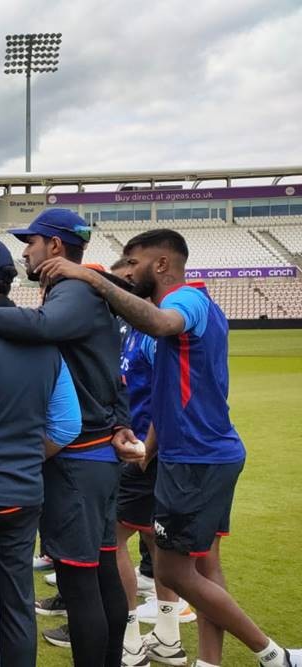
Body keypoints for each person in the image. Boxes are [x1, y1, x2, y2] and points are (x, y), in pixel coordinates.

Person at [38, 229, 302, 667]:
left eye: (133, 262)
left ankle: (273, 655)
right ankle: (208, 661)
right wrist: (147, 450)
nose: (127, 271)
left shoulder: (187, 299)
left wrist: (92, 279)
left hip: (195, 458)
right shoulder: (178, 314)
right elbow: (166, 397)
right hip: (199, 453)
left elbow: (161, 323)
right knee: (203, 569)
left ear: (161, 264)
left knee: (172, 571)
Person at [0, 210, 137, 667]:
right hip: (24, 492)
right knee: (16, 608)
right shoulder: (44, 343)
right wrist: (24, 458)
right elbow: (64, 425)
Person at [103, 257, 192, 667]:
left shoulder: (153, 331)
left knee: (112, 539)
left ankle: (130, 641)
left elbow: (166, 395)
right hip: (145, 448)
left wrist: (146, 451)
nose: (122, 288)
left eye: (127, 280)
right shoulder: (132, 328)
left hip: (144, 451)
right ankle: (168, 637)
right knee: (157, 542)